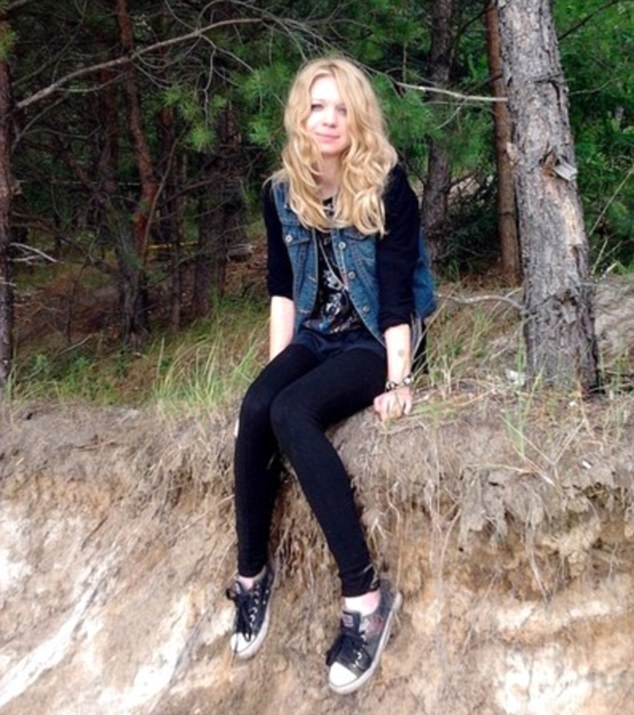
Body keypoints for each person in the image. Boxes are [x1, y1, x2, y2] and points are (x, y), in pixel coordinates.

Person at [226, 56, 435, 695]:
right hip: (317, 334)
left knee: (293, 415)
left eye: (341, 108)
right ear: (301, 113)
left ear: (358, 117)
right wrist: (272, 374)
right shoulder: (281, 191)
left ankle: (366, 599)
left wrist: (398, 380)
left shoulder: (387, 186)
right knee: (259, 408)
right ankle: (251, 577)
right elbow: (282, 290)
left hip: (373, 338)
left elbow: (395, 294)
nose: (328, 119)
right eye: (318, 106)